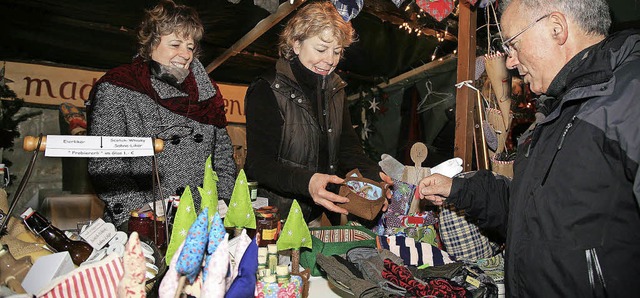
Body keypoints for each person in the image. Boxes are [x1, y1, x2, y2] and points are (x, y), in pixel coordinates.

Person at [419, 0, 640, 296]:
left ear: (556, 28)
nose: (510, 62)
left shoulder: (630, 97)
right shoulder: (555, 112)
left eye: (513, 44)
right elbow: (530, 210)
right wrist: (457, 189)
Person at [87, 0, 236, 227]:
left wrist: (223, 201)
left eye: (190, 46)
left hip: (202, 219)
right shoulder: (119, 87)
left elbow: (223, 155)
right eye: (175, 44)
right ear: (151, 44)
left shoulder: (208, 93)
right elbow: (106, 162)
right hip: (146, 220)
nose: (185, 54)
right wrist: (138, 215)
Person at [244, 1, 391, 225]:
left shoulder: (335, 89)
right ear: (296, 44)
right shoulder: (267, 88)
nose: (330, 60)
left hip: (316, 213)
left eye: (337, 52)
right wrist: (307, 182)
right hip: (272, 216)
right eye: (321, 49)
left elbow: (346, 148)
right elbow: (258, 164)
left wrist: (372, 175)